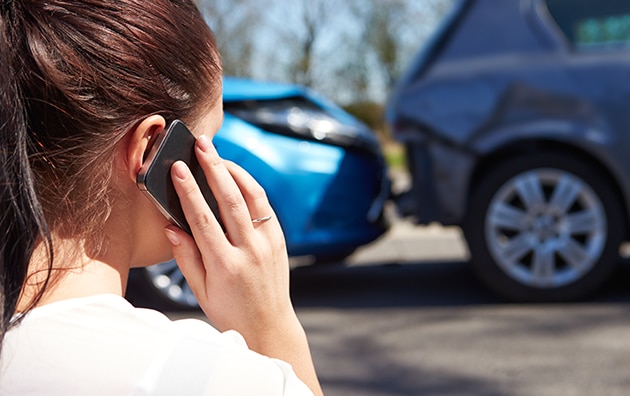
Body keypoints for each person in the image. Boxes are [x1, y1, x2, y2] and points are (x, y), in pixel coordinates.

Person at [0, 1, 323, 395]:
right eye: (209, 141)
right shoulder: (206, 376)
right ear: (152, 147)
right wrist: (272, 327)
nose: (215, 165)